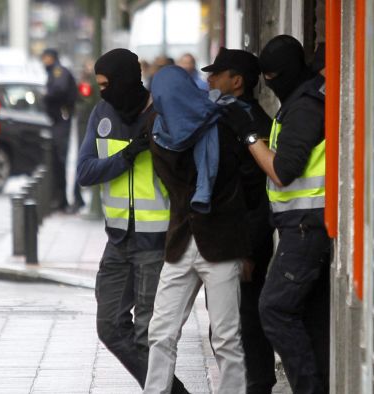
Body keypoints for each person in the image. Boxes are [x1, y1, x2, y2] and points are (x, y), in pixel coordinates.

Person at [77, 49, 187, 393]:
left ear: (127, 79)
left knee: (148, 336)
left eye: (107, 84)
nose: (103, 92)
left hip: (155, 241)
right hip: (118, 240)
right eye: (99, 85)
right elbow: (84, 171)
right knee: (109, 326)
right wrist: (125, 156)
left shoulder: (162, 112)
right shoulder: (102, 112)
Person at [226, 35, 329, 393]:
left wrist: (251, 137)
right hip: (303, 225)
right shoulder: (306, 99)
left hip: (306, 227)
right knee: (311, 318)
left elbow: (282, 170)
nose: (268, 82)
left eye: (272, 75)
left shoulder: (304, 107)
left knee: (274, 309)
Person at [145, 65, 250, 394]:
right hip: (180, 243)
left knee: (226, 337)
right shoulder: (158, 131)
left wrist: (247, 249)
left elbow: (241, 185)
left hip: (221, 243)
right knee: (161, 331)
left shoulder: (221, 124)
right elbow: (177, 188)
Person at [202, 47, 276, 393]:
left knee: (244, 319)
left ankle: (258, 383)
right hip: (229, 236)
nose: (209, 79)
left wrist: (247, 250)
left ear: (237, 81)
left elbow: (257, 196)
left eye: (217, 74)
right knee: (229, 322)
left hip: (245, 239)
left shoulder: (251, 123)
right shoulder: (229, 116)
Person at [41, 48, 79, 212]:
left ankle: (63, 198)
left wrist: (46, 96)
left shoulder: (58, 71)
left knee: (60, 158)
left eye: (46, 58)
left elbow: (60, 89)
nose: (44, 61)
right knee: (57, 159)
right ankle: (61, 197)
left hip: (61, 119)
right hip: (59, 119)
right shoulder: (55, 72)